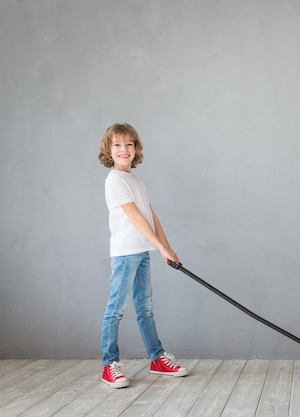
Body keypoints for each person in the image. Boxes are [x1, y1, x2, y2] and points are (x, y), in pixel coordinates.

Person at [97, 123, 190, 388]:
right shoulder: (114, 180)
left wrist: (167, 247)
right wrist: (160, 247)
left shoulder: (135, 180)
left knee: (145, 308)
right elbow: (135, 218)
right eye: (117, 144)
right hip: (126, 253)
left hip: (143, 250)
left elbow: (151, 216)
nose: (123, 149)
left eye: (129, 144)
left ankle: (157, 358)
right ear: (109, 150)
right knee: (116, 309)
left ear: (136, 149)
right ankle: (109, 365)